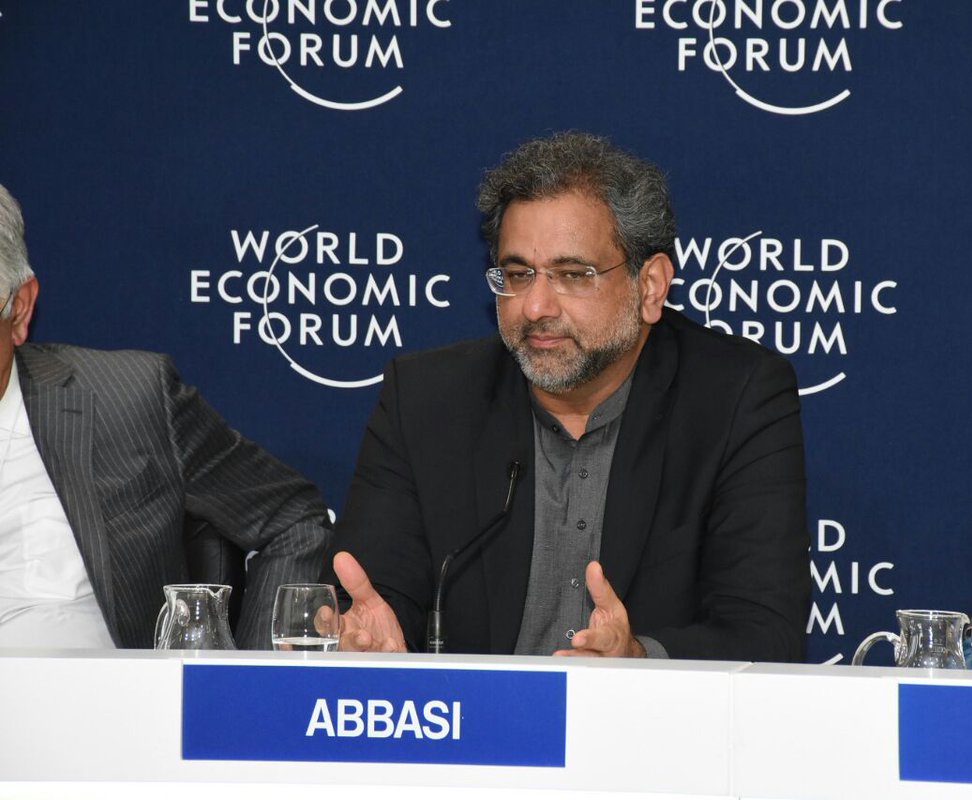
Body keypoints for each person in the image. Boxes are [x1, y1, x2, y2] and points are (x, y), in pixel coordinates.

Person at [328, 131, 809, 661]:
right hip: (475, 712)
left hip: (647, 714)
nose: (535, 306)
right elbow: (380, 596)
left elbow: (765, 631)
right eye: (518, 274)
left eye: (573, 275)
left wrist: (640, 659)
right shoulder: (428, 398)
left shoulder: (736, 396)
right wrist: (371, 637)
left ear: (650, 286)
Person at [0, 182, 332, 650]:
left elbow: (292, 520)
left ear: (19, 310)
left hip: (92, 690)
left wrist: (252, 677)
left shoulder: (126, 401)